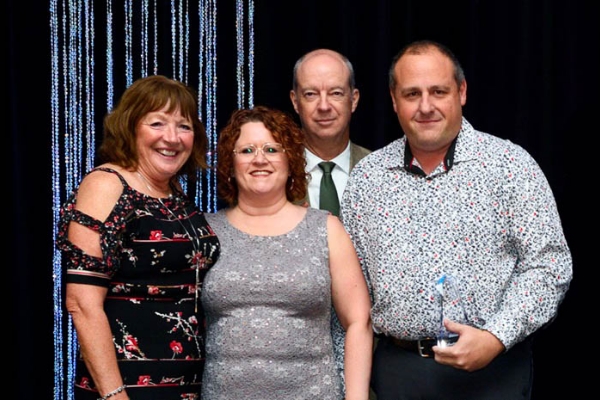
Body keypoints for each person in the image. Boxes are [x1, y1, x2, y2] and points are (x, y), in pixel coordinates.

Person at [340, 40, 573, 400]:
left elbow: (550, 265)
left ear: (461, 92)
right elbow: (349, 293)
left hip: (494, 373)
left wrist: (497, 336)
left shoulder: (510, 166)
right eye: (412, 93)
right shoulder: (367, 179)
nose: (426, 106)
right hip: (398, 374)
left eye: (439, 91)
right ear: (393, 100)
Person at [56, 75, 221, 400]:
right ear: (131, 127)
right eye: (157, 123)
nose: (172, 138)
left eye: (184, 126)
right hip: (127, 388)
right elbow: (82, 304)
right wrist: (115, 395)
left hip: (185, 388)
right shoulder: (107, 184)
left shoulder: (173, 192)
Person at [201, 105, 373, 400]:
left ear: (290, 160)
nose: (259, 159)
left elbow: (359, 321)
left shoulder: (326, 228)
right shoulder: (205, 231)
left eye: (271, 149)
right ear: (229, 164)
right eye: (246, 151)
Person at [290, 48, 371, 215]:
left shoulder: (379, 171)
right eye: (311, 94)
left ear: (353, 100)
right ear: (295, 101)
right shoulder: (274, 173)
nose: (324, 106)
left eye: (336, 93)